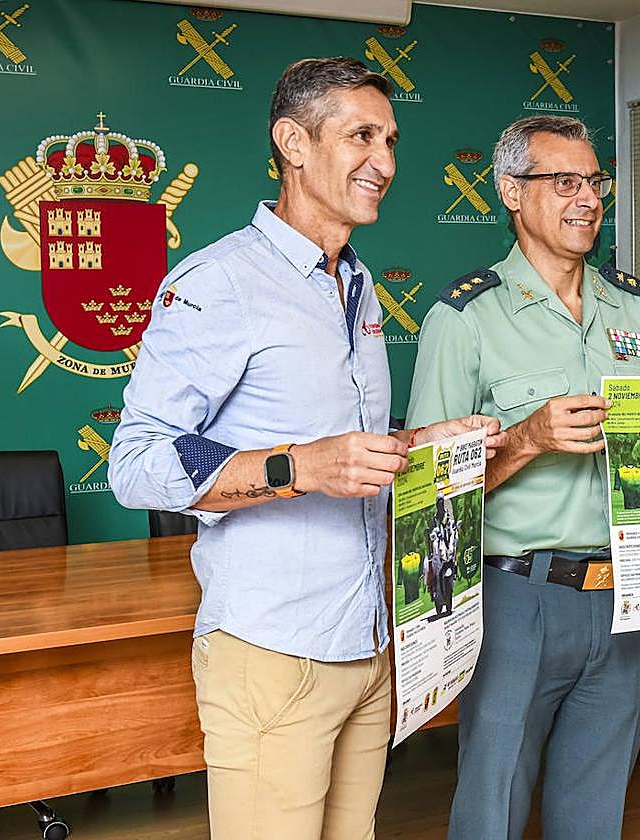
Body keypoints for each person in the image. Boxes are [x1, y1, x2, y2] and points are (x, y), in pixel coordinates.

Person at [108, 57, 502, 840]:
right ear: (293, 141)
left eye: (390, 140)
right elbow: (136, 463)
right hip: (274, 652)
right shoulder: (220, 283)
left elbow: (346, 448)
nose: (384, 162)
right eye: (361, 136)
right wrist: (300, 467)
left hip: (369, 646)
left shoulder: (354, 285)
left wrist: (415, 445)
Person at [406, 114, 640, 839]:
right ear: (511, 190)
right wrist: (530, 439)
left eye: (594, 182)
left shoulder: (632, 306)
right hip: (517, 602)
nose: (588, 199)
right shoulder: (466, 316)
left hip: (626, 598)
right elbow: (426, 497)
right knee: (492, 809)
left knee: (597, 816)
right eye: (563, 181)